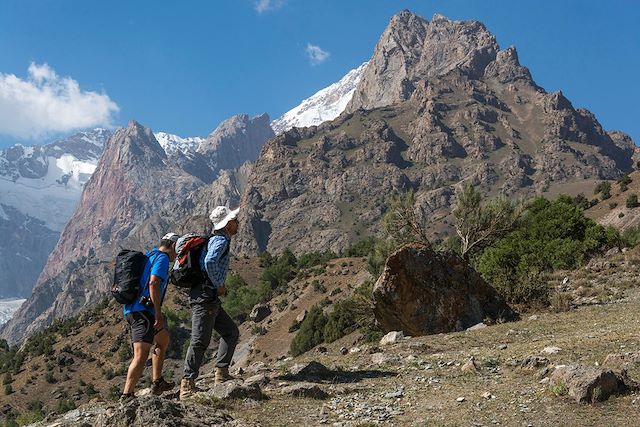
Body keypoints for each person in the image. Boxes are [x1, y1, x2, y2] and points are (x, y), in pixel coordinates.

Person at [180, 206, 240, 400]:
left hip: (207, 297)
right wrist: (219, 284)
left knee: (230, 332)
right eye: (234, 220)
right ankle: (187, 386)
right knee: (199, 340)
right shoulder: (221, 240)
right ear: (228, 223)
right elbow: (210, 262)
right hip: (205, 297)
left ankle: (221, 375)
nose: (237, 223)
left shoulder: (217, 240)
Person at [120, 232, 179, 402]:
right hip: (144, 312)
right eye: (178, 250)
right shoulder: (161, 258)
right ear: (173, 246)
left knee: (163, 339)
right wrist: (158, 313)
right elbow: (154, 283)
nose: (177, 255)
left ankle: (157, 381)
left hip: (132, 309)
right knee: (141, 354)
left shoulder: (149, 255)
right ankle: (127, 395)